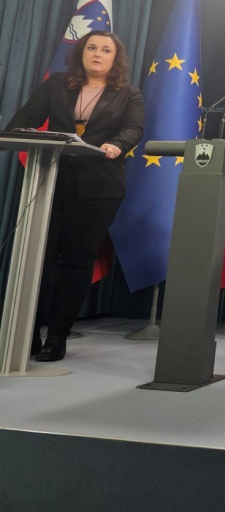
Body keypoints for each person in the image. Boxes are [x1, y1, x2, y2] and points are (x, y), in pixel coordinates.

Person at [6, 30, 144, 362]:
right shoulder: (57, 85)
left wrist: (117, 144)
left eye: (105, 49)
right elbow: (22, 121)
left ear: (115, 58)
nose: (97, 53)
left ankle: (57, 336)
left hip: (99, 187)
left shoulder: (128, 93)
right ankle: (28, 333)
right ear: (81, 53)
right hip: (51, 182)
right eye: (92, 47)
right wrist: (19, 132)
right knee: (40, 260)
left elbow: (134, 129)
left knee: (77, 261)